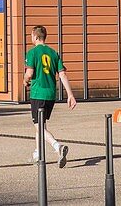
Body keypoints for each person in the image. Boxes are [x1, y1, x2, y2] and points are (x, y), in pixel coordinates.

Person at [24, 25, 77, 166]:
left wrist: (25, 80)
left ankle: (57, 147)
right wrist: (70, 95)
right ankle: (38, 154)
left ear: (35, 37)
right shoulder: (54, 53)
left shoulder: (32, 53)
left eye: (31, 36)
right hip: (50, 94)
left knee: (39, 127)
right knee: (40, 125)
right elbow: (62, 74)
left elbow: (29, 74)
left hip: (37, 93)